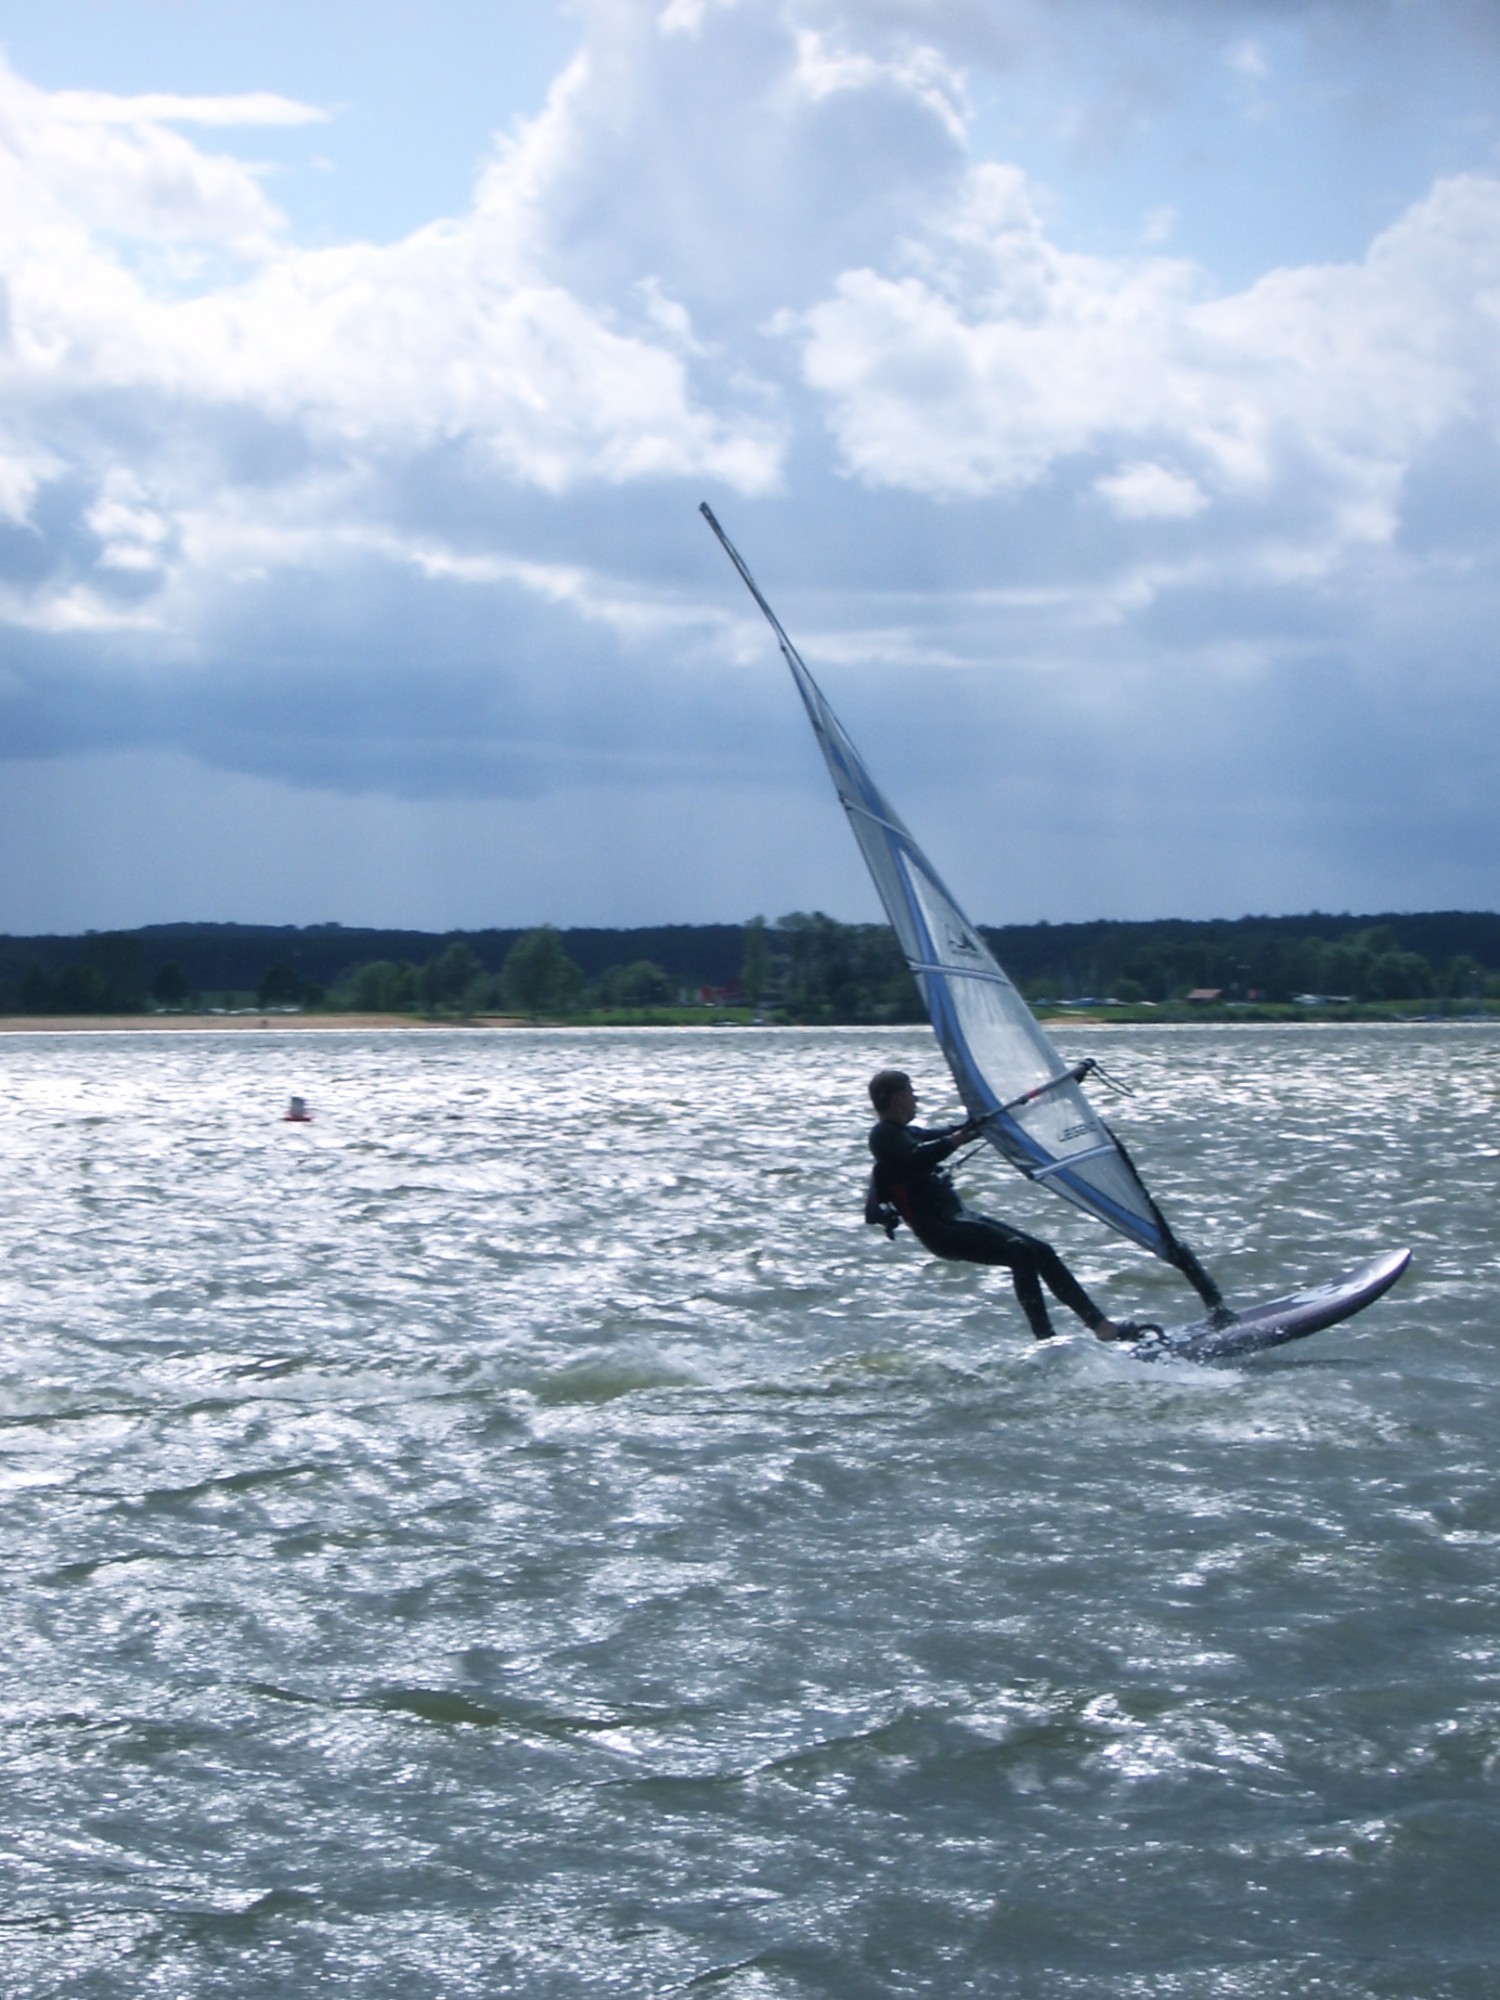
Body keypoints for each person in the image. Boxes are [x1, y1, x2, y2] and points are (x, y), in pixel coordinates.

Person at [866, 1067, 1160, 1342]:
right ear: (894, 1098)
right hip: (941, 1230)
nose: (915, 1097)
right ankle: (1045, 1338)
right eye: (910, 1091)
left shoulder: (910, 1132)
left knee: (1041, 1252)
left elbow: (961, 1130)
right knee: (1019, 1252)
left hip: (958, 1218)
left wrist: (1035, 1101)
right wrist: (956, 1140)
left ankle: (1101, 1327)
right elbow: (914, 1158)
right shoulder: (883, 1137)